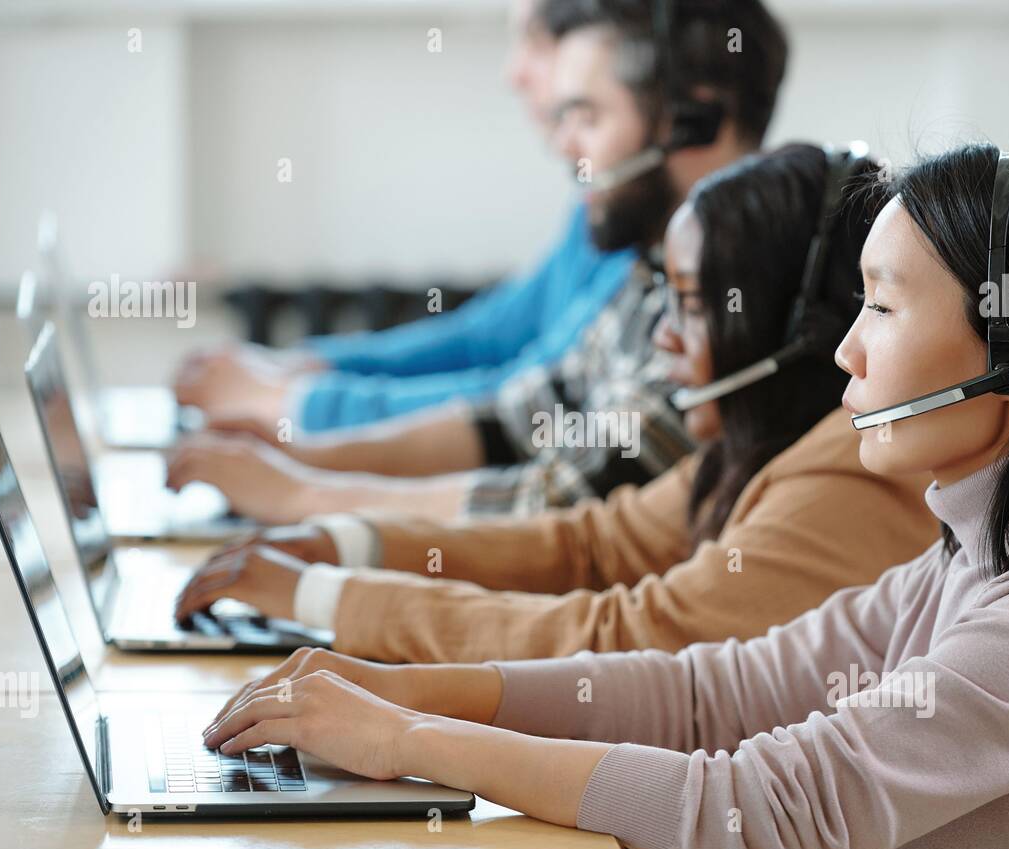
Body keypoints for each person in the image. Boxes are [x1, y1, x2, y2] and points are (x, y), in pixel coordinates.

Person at [198, 142, 1009, 849]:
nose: (846, 348)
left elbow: (749, 811)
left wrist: (407, 740)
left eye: (883, 305)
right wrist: (406, 690)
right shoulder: (966, 559)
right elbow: (710, 694)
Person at [173, 144, 941, 661]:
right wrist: (343, 544)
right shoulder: (755, 449)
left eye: (691, 307)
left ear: (797, 332)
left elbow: (632, 632)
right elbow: (592, 545)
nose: (662, 338)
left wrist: (326, 596)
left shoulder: (844, 475)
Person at [166, 0, 791, 523]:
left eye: (588, 117)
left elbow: (565, 502)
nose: (561, 143)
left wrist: (304, 490)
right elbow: (519, 412)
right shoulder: (650, 270)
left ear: (694, 118)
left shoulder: (726, 294)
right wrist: (306, 456)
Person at [173, 0, 636, 433]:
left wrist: (297, 404)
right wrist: (309, 366)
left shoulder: (641, 213)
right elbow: (485, 339)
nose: (512, 74)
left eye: (534, 42)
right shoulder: (596, 203)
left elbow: (533, 399)